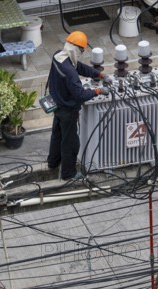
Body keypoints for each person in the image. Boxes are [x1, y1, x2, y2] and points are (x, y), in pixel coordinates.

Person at [47, 31, 109, 180]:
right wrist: (99, 90)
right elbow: (80, 95)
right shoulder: (70, 73)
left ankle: (53, 162)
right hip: (68, 110)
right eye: (81, 50)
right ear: (76, 49)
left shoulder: (58, 56)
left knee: (57, 135)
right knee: (70, 143)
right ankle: (68, 174)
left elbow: (78, 66)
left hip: (56, 103)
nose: (81, 53)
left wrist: (98, 74)